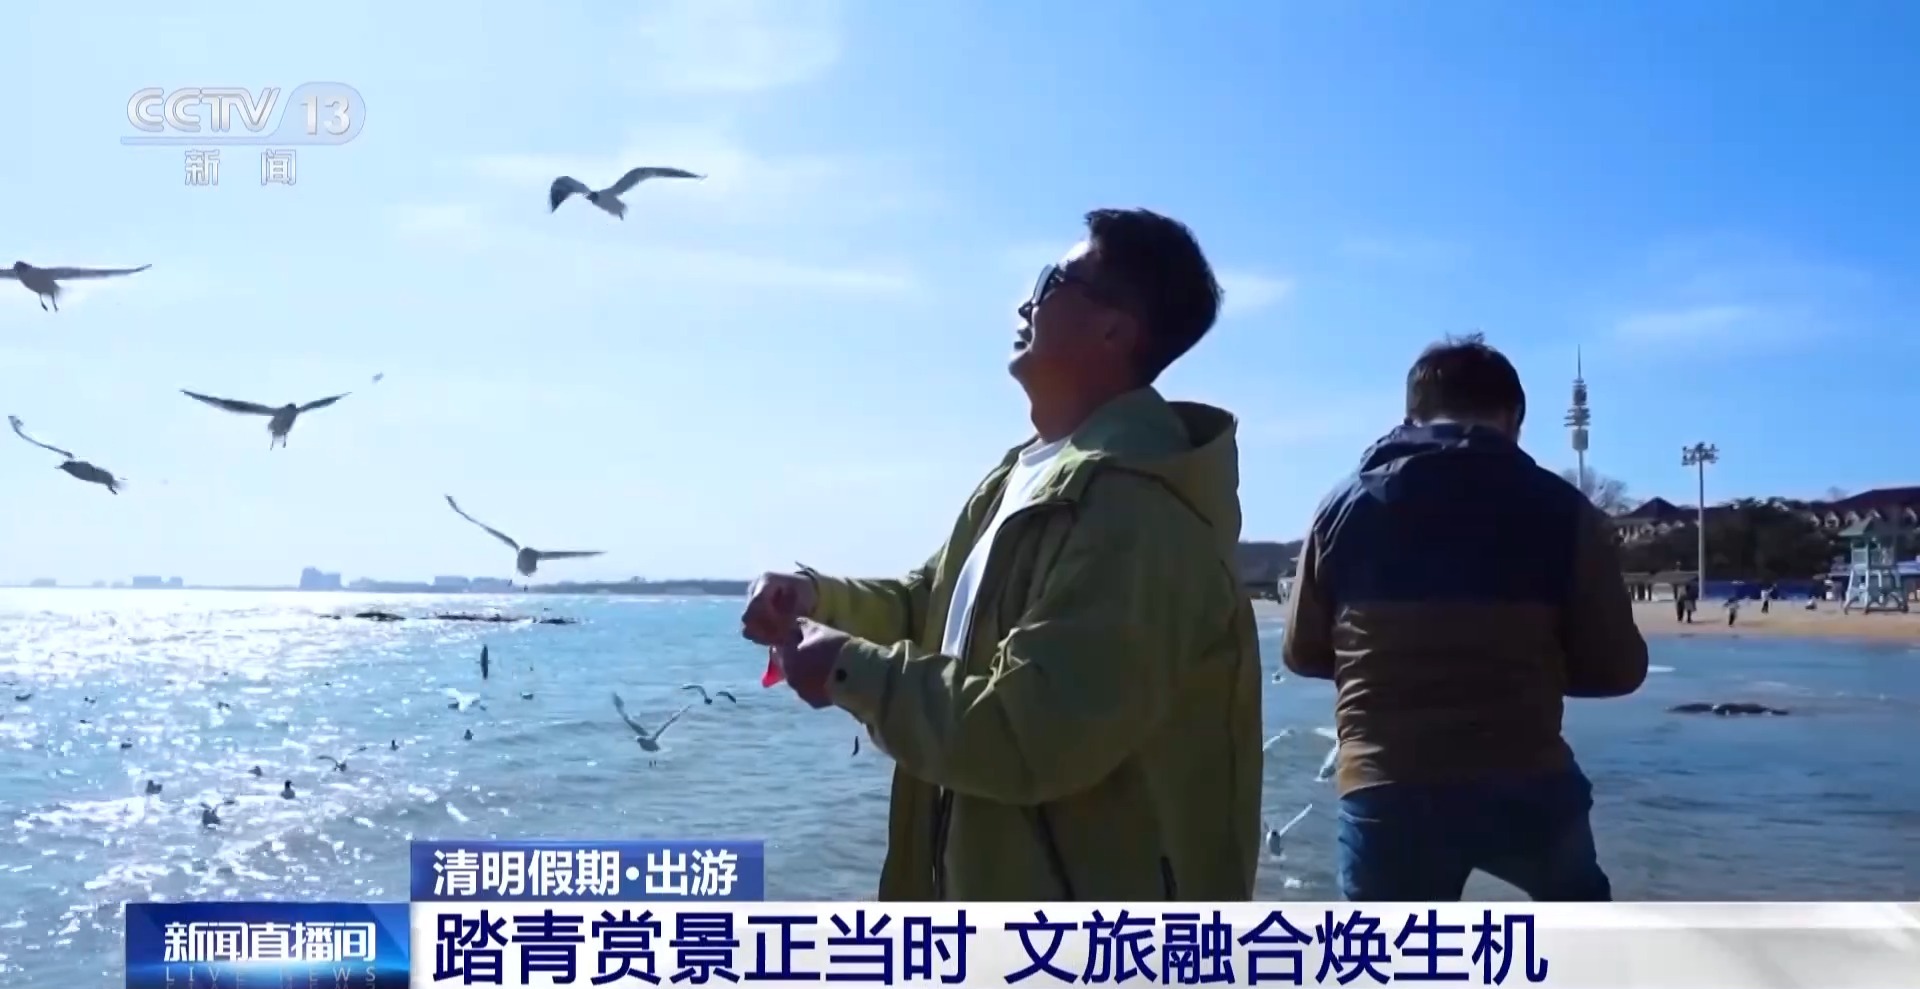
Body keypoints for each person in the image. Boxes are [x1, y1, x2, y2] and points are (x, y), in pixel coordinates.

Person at [739, 208, 1261, 901]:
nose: (1026, 303)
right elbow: (931, 605)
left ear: (1114, 331)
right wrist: (816, 598)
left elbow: (1033, 732)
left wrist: (848, 669)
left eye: (1051, 282)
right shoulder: (1024, 474)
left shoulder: (1139, 510)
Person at [1281, 333, 1649, 902]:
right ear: (1513, 418)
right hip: (1526, 772)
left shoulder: (1342, 506)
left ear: (1410, 416)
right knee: (1583, 933)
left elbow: (1301, 653)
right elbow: (1619, 670)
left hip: (1388, 779)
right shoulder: (1565, 510)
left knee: (1390, 948)